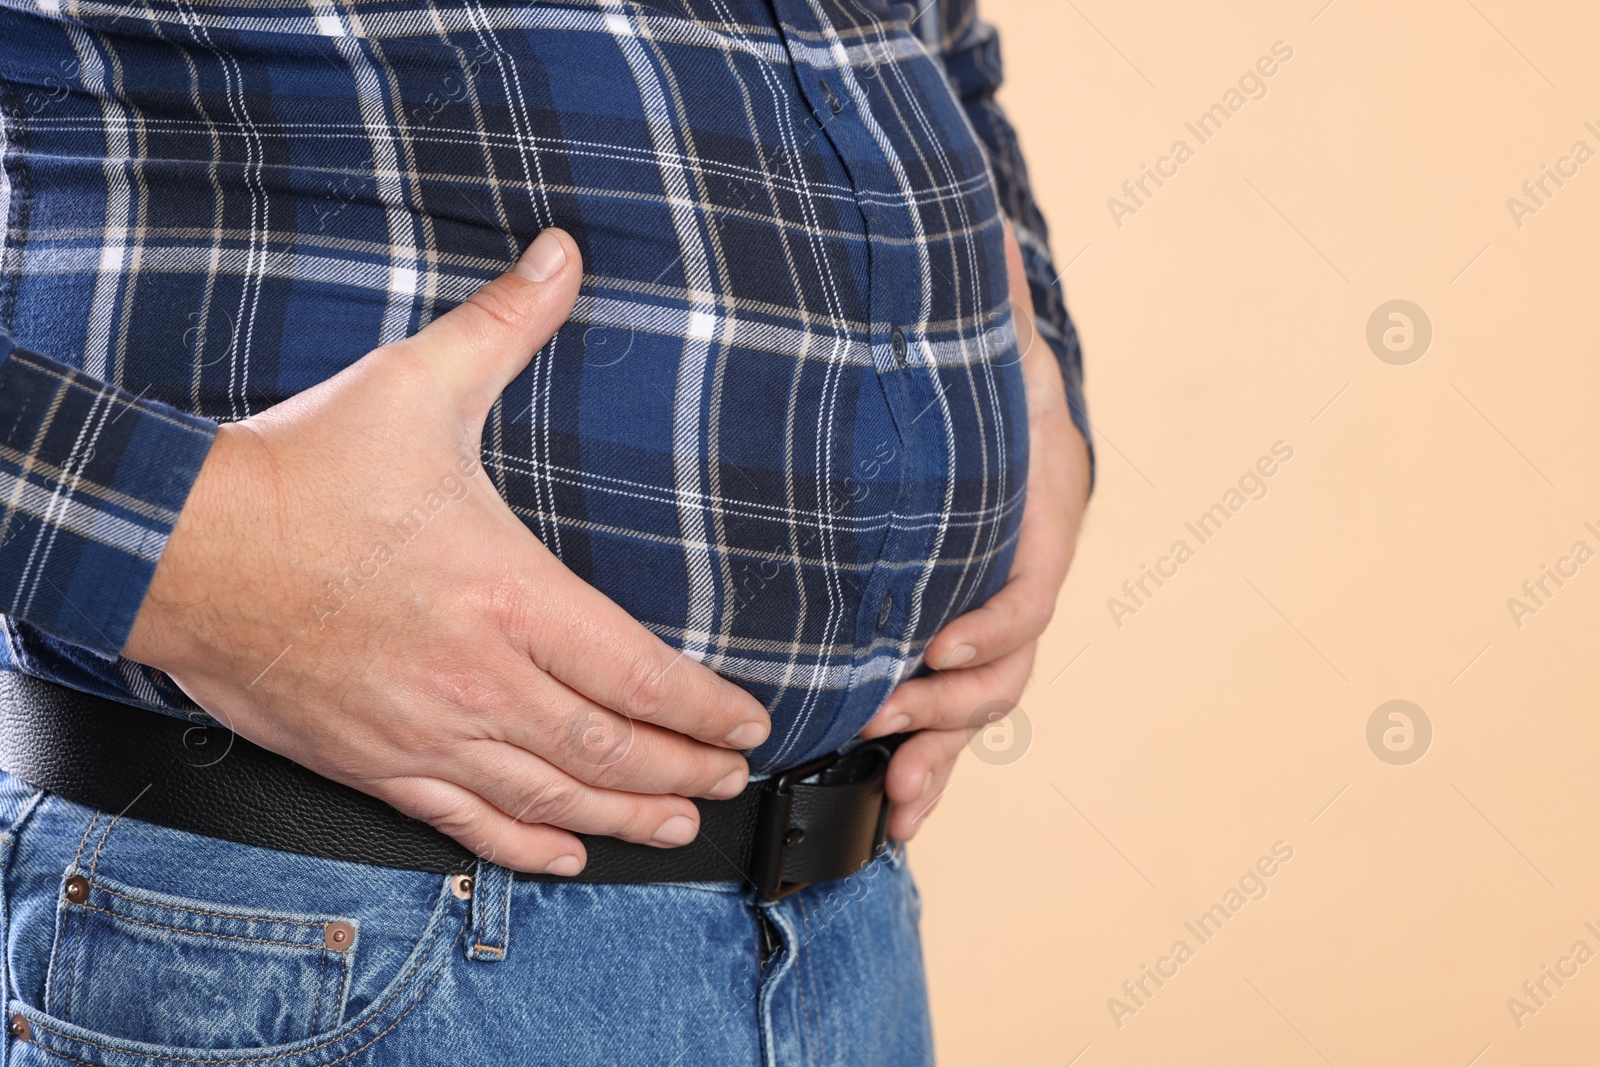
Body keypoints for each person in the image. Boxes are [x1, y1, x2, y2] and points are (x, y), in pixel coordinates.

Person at [0, 0, 1091, 1061]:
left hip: (837, 929)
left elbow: (938, 50)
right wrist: (191, 545)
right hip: (305, 918)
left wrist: (1037, 377)